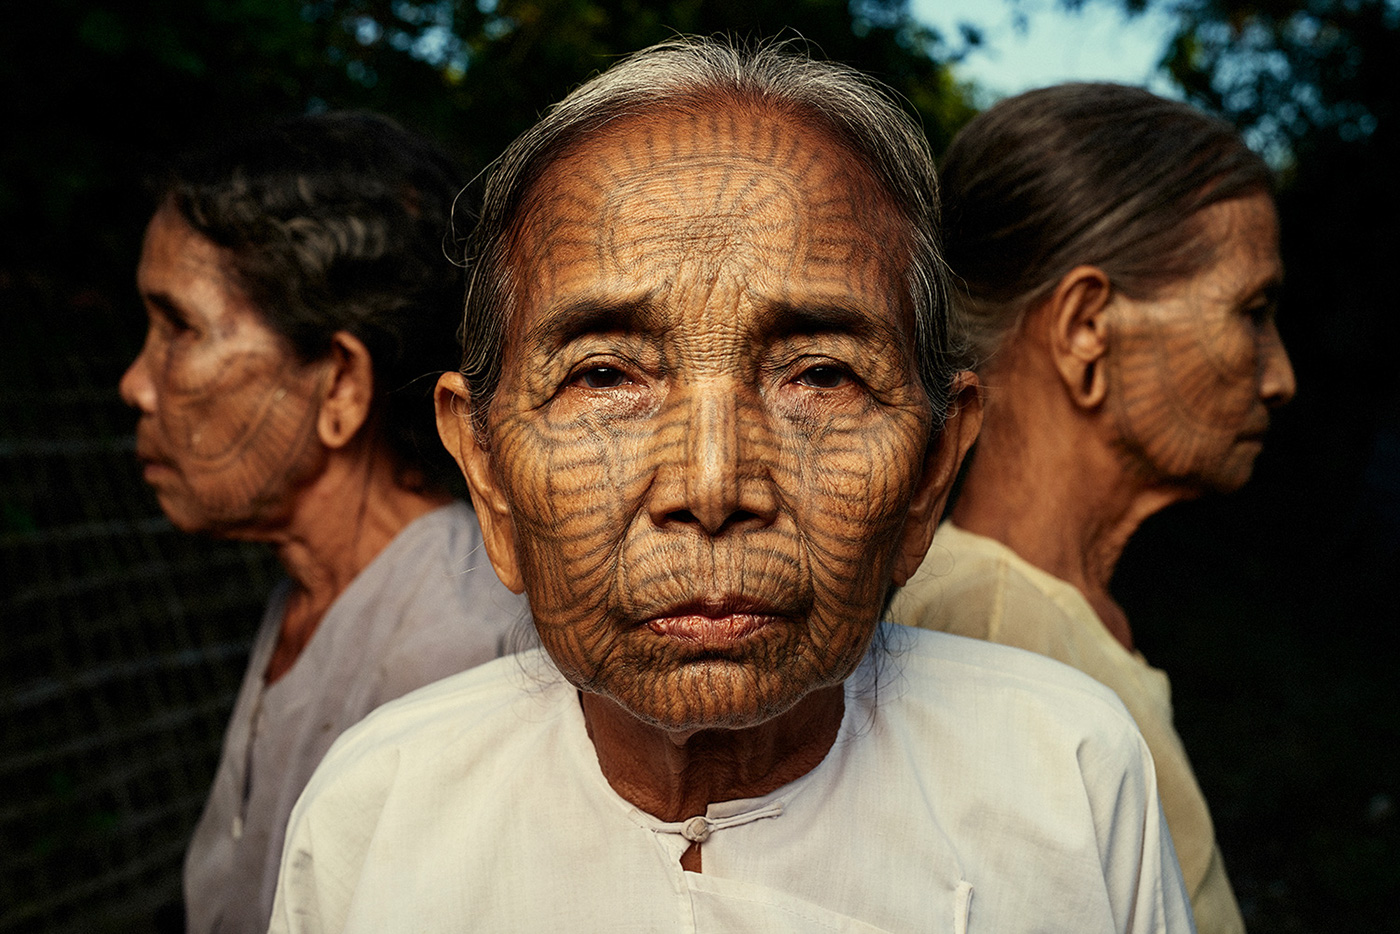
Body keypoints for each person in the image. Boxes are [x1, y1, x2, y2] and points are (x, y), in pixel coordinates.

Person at [268, 40, 1194, 933]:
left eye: (821, 376)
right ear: (488, 476)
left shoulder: (1070, 777)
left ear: (931, 472)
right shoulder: (375, 818)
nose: (712, 487)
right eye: (604, 376)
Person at [890, 83, 1297, 934]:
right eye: (1252, 313)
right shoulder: (993, 632)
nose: (1280, 377)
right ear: (1085, 328)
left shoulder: (1035, 618)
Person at [119, 112, 526, 934]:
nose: (137, 384)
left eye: (180, 329)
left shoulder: (453, 655)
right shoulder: (315, 595)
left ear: (340, 384)